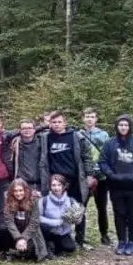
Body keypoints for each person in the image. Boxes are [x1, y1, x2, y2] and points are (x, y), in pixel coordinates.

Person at [99, 114, 133, 256]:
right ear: (116, 127)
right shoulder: (110, 143)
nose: (123, 128)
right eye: (120, 125)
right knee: (119, 214)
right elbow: (102, 162)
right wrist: (111, 175)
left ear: (130, 127)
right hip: (116, 185)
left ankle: (132, 242)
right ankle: (122, 241)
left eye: (126, 125)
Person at [39, 111, 96, 248]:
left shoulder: (76, 137)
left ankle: (80, 239)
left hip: (74, 179)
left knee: (77, 209)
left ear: (65, 123)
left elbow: (87, 157)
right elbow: (23, 132)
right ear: (50, 124)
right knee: (54, 209)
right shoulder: (45, 138)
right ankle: (58, 237)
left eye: (59, 122)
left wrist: (89, 175)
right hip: (55, 181)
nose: (57, 125)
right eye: (54, 122)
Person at [82, 107, 112, 245]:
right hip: (84, 176)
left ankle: (104, 234)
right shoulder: (78, 135)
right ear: (83, 118)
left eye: (92, 116)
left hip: (101, 176)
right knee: (81, 206)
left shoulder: (104, 135)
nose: (89, 119)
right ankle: (79, 235)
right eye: (87, 116)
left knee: (102, 207)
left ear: (96, 119)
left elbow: (108, 155)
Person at [0, 179, 49, 262]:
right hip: (15, 231)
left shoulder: (34, 200)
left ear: (25, 190)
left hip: (29, 231)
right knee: (3, 229)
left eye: (20, 190)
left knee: (31, 253)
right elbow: (9, 221)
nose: (18, 193)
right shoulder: (8, 200)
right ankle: (6, 251)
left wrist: (24, 238)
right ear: (12, 192)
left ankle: (16, 252)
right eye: (15, 191)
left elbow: (34, 222)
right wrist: (18, 238)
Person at [39, 175, 80, 256]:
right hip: (49, 231)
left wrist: (76, 218)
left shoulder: (70, 201)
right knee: (44, 228)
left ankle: (56, 246)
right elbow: (38, 218)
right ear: (50, 186)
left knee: (70, 248)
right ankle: (47, 245)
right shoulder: (43, 201)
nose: (56, 188)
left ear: (63, 186)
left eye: (59, 185)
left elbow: (78, 220)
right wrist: (55, 222)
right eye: (53, 185)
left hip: (63, 232)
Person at [11, 119, 43, 192]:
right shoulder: (14, 143)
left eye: (29, 128)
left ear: (34, 130)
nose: (27, 130)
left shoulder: (42, 142)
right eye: (24, 128)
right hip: (21, 184)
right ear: (19, 130)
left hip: (39, 183)